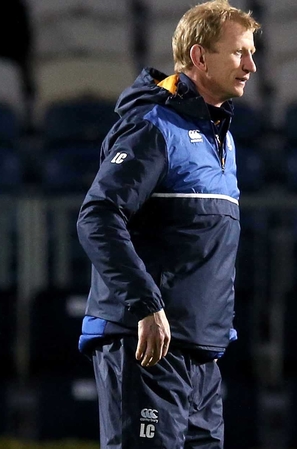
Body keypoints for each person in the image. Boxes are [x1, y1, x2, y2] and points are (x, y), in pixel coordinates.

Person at [75, 1, 259, 447]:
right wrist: (145, 306)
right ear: (199, 57)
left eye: (252, 53)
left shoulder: (222, 137)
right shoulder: (153, 126)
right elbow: (98, 216)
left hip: (200, 353)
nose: (251, 66)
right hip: (147, 346)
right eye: (239, 52)